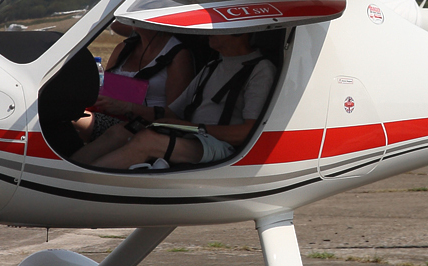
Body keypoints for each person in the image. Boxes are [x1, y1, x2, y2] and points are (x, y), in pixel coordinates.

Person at [75, 31, 276, 170]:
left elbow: (248, 133)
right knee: (121, 130)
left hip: (222, 146)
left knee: (147, 140)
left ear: (240, 32)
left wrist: (193, 127)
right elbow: (172, 113)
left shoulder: (260, 69)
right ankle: (67, 170)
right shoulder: (213, 66)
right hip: (194, 135)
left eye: (217, 28)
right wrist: (127, 107)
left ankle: (81, 184)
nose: (208, 32)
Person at [72, 23, 195, 143]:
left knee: (71, 118)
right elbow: (105, 88)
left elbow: (175, 115)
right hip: (108, 115)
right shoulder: (124, 47)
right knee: (64, 110)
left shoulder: (178, 55)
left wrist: (127, 107)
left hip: (143, 127)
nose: (133, 18)